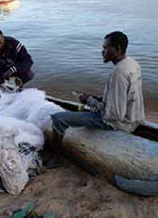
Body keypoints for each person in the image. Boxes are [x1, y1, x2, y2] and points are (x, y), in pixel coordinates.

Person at [47, 31, 145, 168]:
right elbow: (125, 96)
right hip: (135, 118)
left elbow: (114, 115)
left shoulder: (119, 72)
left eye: (106, 48)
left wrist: (90, 101)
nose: (102, 52)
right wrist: (98, 99)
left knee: (58, 119)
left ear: (117, 49)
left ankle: (56, 158)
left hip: (120, 123)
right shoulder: (132, 64)